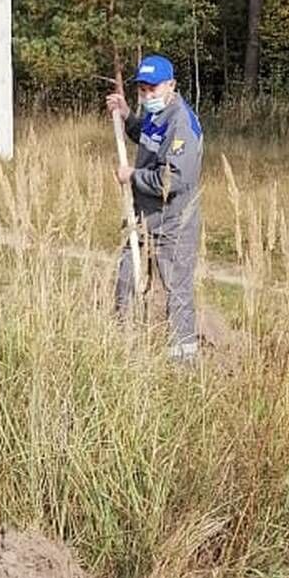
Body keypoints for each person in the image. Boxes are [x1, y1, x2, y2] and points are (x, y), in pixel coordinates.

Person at [106, 54, 204, 360]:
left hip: (174, 225)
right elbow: (148, 141)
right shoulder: (154, 115)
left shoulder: (181, 123)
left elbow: (172, 178)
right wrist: (127, 118)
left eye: (154, 88)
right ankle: (125, 351)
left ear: (171, 85)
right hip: (142, 221)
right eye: (142, 90)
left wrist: (132, 176)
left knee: (177, 296)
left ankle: (183, 364)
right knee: (126, 283)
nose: (148, 95)